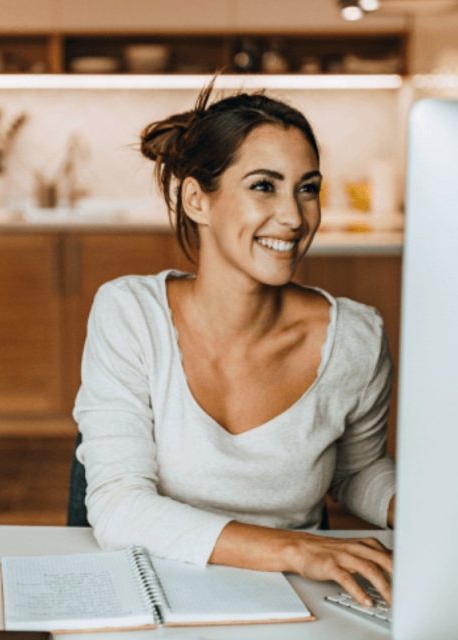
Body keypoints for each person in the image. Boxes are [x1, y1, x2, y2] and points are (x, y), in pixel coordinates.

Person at [73, 83, 397, 608]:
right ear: (197, 199)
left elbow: (356, 469)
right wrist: (296, 549)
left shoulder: (356, 338)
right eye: (264, 186)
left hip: (301, 603)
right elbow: (118, 506)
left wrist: (417, 505)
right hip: (158, 592)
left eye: (307, 188)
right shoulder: (131, 315)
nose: (294, 217)